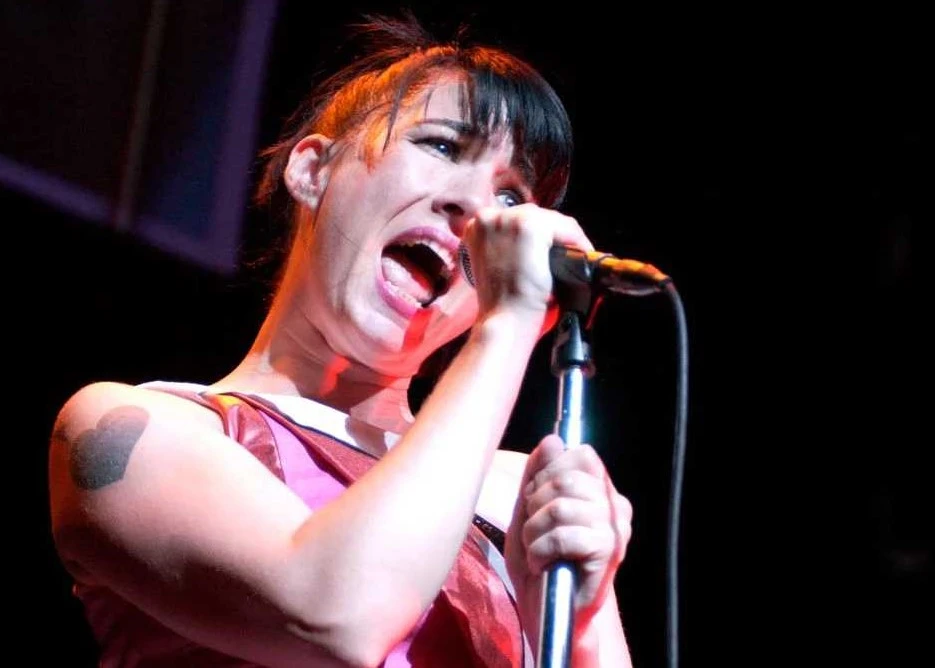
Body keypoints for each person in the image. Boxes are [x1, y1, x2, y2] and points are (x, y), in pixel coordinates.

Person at [48, 13, 633, 667]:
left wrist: (579, 625)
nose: (475, 211)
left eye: (511, 197)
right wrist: (505, 326)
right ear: (312, 169)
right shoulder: (131, 428)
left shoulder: (516, 494)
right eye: (443, 147)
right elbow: (335, 616)